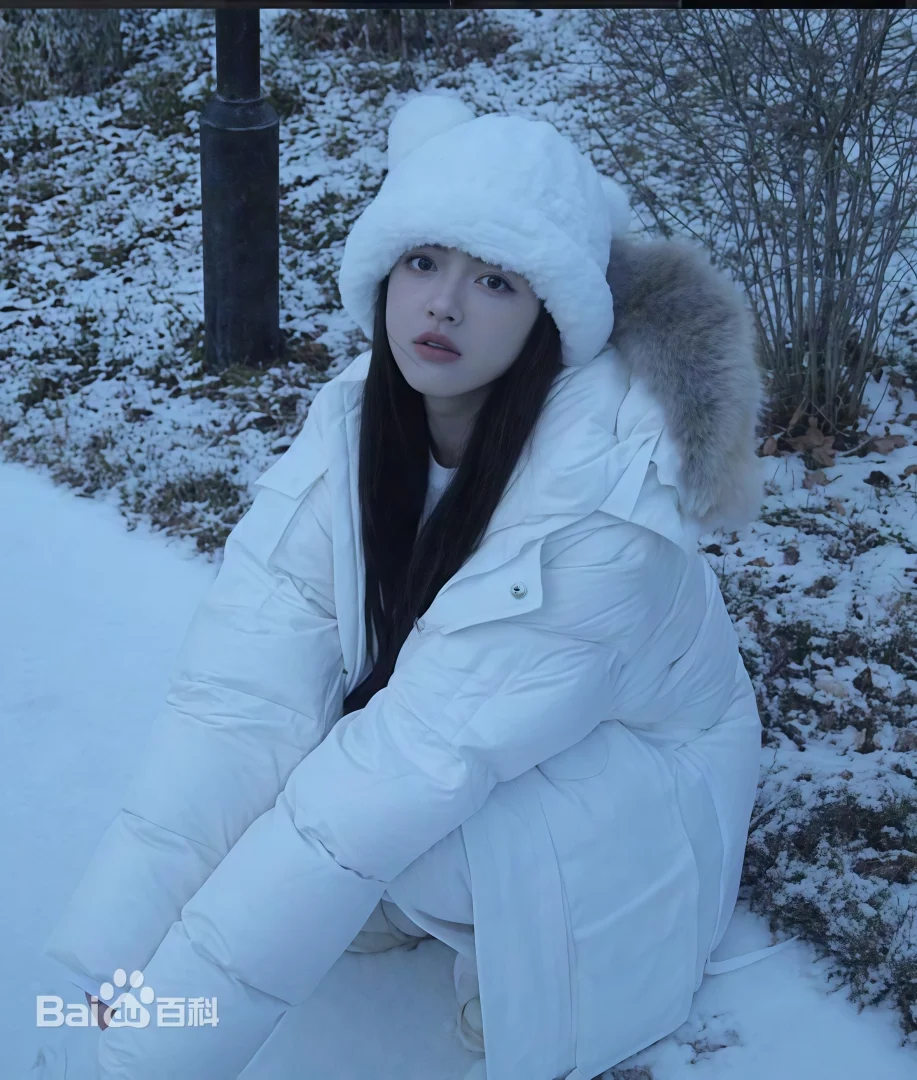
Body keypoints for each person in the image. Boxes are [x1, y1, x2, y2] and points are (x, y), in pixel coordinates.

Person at [39, 91, 795, 1080]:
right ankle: (421, 902)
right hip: (487, 735)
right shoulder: (356, 418)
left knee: (414, 825)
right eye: (424, 262)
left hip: (641, 788)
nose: (443, 305)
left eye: (495, 280)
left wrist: (154, 1051)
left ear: (549, 317)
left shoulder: (605, 502)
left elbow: (408, 764)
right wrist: (119, 963)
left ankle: (546, 963)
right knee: (302, 741)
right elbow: (239, 693)